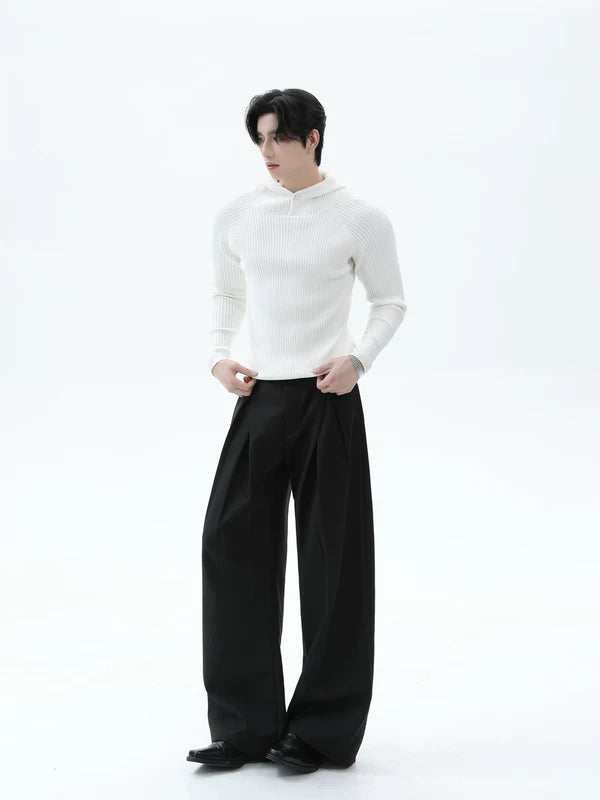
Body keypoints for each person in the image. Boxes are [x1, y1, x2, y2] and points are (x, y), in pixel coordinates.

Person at [187, 88, 407, 774]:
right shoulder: (238, 215)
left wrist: (357, 361)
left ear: (312, 138)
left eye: (278, 137)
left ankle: (321, 732)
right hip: (259, 399)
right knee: (230, 548)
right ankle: (244, 728)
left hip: (326, 398)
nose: (267, 152)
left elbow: (390, 302)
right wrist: (219, 355)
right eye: (259, 139)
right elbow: (226, 294)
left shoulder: (358, 218)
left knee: (334, 564)